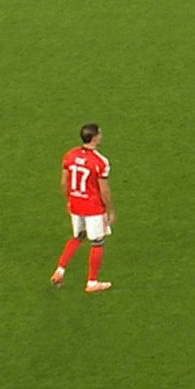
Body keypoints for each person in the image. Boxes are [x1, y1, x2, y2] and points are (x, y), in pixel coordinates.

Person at [50, 123, 115, 293]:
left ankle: (60, 271)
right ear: (94, 137)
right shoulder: (100, 162)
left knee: (78, 236)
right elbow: (104, 190)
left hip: (76, 204)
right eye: (99, 133)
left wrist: (70, 200)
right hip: (93, 207)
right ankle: (92, 282)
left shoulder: (70, 155)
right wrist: (110, 211)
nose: (101, 136)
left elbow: (64, 182)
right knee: (97, 242)